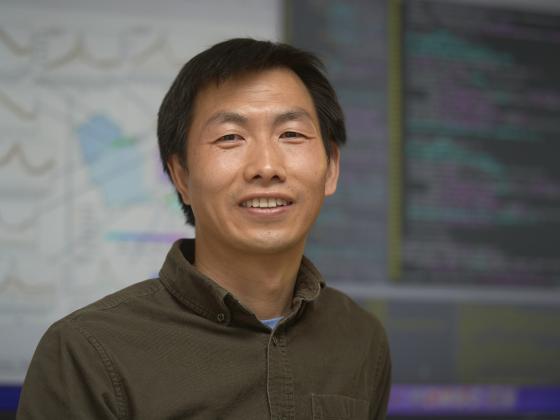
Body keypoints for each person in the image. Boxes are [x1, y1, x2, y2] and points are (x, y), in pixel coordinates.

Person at [17, 38, 391, 419]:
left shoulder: (361, 339)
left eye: (291, 134)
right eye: (231, 137)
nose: (266, 166)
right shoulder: (86, 352)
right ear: (181, 175)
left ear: (331, 168)